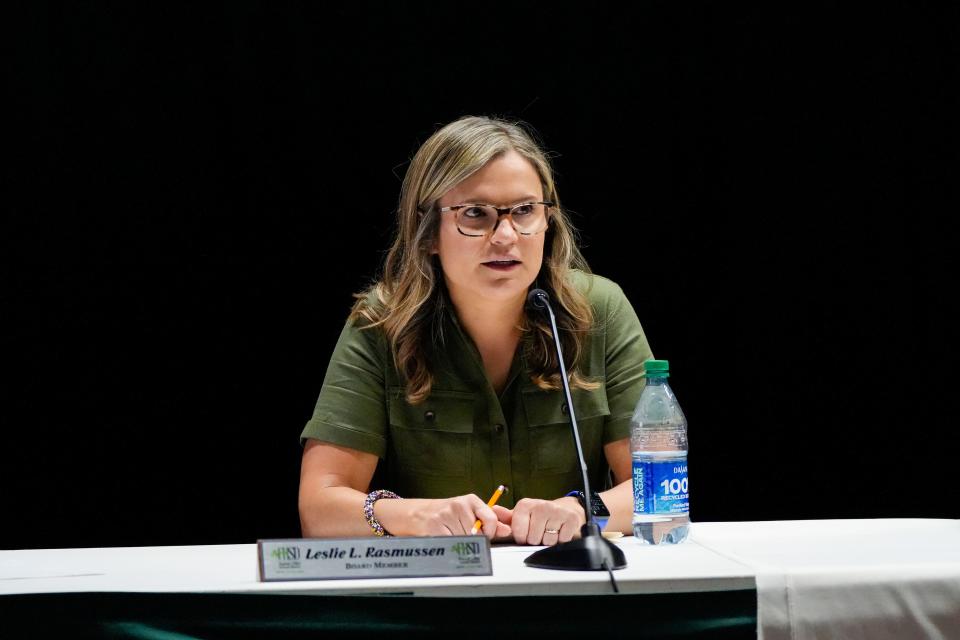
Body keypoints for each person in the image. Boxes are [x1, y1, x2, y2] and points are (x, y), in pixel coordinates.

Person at [298, 115, 653, 545]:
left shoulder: (599, 311)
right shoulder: (381, 323)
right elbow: (319, 508)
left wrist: (580, 510)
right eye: (475, 215)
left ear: (548, 222)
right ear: (428, 232)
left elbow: (659, 490)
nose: (505, 235)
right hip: (438, 596)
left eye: (524, 211)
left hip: (569, 587)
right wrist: (418, 516)